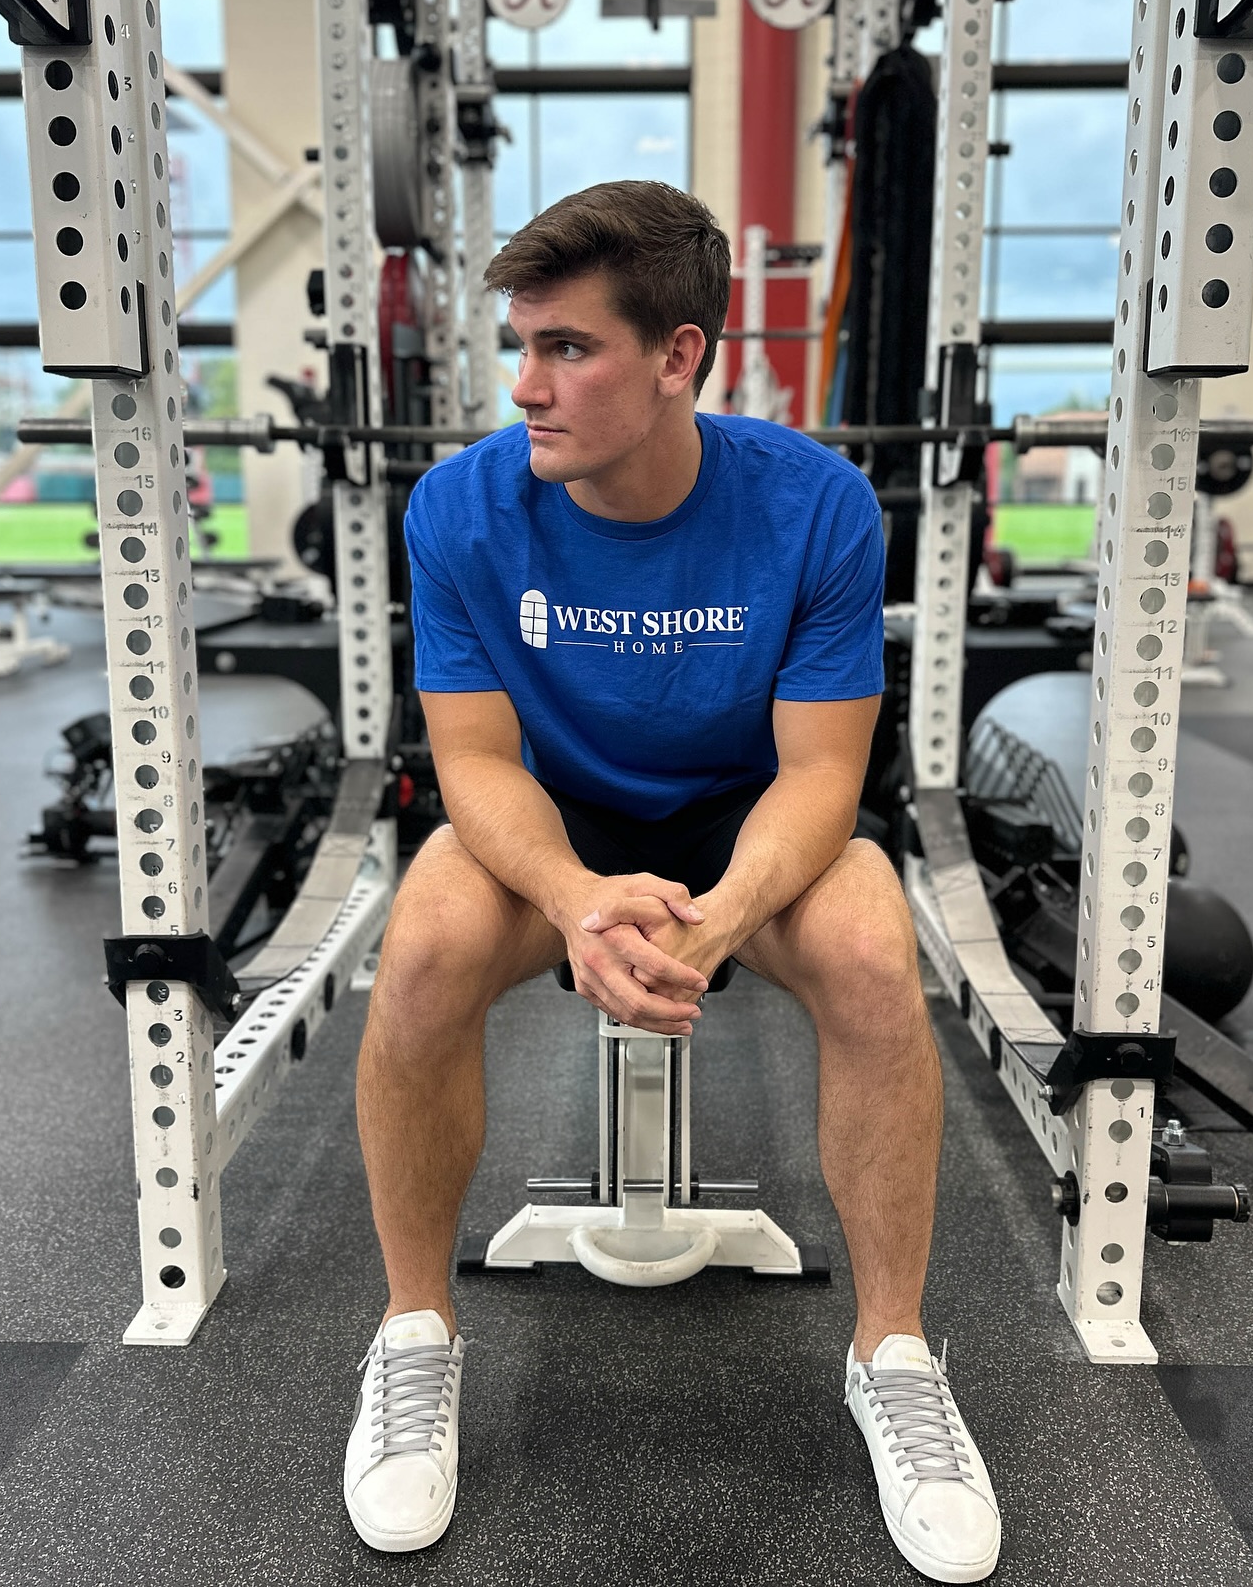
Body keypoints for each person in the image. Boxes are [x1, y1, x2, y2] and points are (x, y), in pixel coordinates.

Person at [344, 182, 1001, 1583]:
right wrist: (577, 897)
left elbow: (823, 776)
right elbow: (475, 763)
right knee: (426, 937)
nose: (525, 386)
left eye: (568, 348)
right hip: (555, 828)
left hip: (747, 822)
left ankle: (893, 1356)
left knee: (874, 943)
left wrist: (725, 916)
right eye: (520, 346)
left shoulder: (816, 506)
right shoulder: (459, 510)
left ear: (678, 355)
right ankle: (413, 1337)